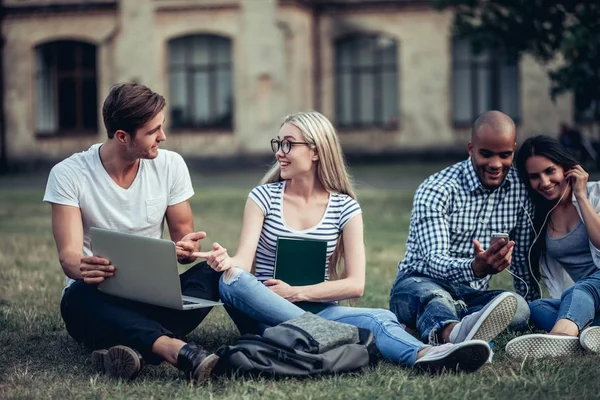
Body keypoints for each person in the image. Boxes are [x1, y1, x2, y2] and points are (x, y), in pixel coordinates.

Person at [195, 110, 492, 374]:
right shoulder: (262, 197)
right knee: (232, 280)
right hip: (265, 314)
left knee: (380, 317)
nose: (279, 153)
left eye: (288, 144)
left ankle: (428, 354)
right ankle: (332, 333)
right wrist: (226, 261)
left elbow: (355, 284)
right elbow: (243, 262)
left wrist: (296, 293)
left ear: (315, 151)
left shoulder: (345, 208)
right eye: (279, 143)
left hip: (320, 310)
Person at [43, 83, 220, 382]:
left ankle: (129, 347)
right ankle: (173, 349)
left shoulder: (170, 165)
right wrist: (86, 268)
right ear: (123, 136)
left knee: (212, 274)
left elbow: (184, 244)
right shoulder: (69, 174)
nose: (162, 137)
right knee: (76, 297)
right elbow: (70, 259)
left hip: (153, 297)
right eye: (153, 132)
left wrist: (184, 249)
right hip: (98, 299)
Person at [388, 110, 533, 347]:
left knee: (518, 308)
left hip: (470, 296)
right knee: (435, 298)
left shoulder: (520, 189)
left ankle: (434, 324)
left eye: (505, 155)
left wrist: (531, 305)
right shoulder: (436, 189)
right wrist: (474, 268)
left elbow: (523, 262)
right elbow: (434, 260)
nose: (496, 164)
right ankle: (452, 336)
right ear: (470, 149)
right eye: (486, 154)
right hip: (418, 283)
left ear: (513, 150)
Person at [505, 135, 600, 358]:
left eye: (550, 171)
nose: (544, 182)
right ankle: (588, 332)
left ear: (567, 168)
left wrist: (581, 196)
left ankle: (562, 337)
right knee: (537, 308)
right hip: (583, 302)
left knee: (580, 289)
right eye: (535, 176)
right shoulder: (538, 216)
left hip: (587, 289)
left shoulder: (595, 194)